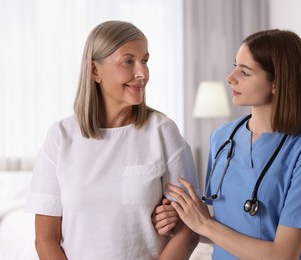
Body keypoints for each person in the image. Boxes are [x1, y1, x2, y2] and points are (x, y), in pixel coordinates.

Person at [25, 20, 200, 260]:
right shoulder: (60, 137)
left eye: (145, 60)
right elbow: (46, 239)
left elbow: (188, 231)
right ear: (95, 71)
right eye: (129, 61)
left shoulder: (163, 132)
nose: (143, 73)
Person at [152, 29, 301, 259]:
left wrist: (205, 225)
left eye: (244, 72)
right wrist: (183, 219)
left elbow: (283, 255)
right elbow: (226, 229)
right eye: (235, 65)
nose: (230, 77)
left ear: (276, 83)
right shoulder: (222, 138)